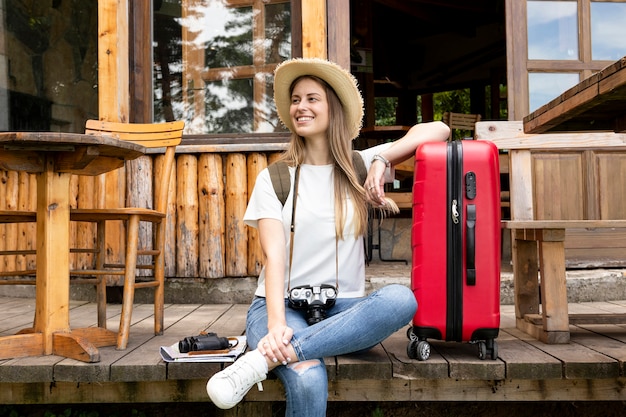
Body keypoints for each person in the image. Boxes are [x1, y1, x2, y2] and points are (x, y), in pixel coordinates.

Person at [206, 57, 450, 415]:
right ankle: (283, 350)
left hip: (343, 310)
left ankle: (259, 363)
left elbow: (439, 129)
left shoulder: (358, 166)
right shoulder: (275, 178)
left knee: (400, 299)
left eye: (312, 98)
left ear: (332, 108)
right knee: (307, 377)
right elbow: (274, 258)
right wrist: (276, 326)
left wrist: (382, 160)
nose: (300, 107)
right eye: (295, 100)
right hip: (283, 306)